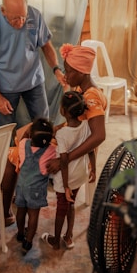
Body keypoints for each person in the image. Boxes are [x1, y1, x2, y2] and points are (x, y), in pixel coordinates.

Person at [0, 0, 65, 229]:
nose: (21, 22)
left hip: (33, 81)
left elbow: (46, 46)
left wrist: (56, 69)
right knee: (8, 143)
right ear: (3, 12)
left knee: (45, 128)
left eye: (23, 16)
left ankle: (45, 177)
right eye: (15, 18)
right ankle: (5, 206)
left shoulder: (34, 16)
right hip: (5, 87)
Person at [41, 90, 96, 250]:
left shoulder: (62, 134)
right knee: (70, 205)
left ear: (63, 111)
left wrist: (65, 186)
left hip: (67, 177)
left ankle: (56, 240)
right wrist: (93, 168)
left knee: (61, 207)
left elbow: (63, 161)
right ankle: (69, 237)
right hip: (80, 174)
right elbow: (91, 148)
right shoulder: (86, 126)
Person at [46, 42, 107, 184]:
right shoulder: (82, 90)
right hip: (71, 141)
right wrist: (57, 129)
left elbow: (99, 136)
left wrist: (63, 160)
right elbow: (78, 123)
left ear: (81, 72)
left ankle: (26, 197)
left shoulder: (91, 97)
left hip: (72, 149)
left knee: (22, 152)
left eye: (68, 71)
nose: (65, 76)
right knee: (29, 133)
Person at [14, 118, 56, 254]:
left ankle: (20, 233)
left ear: (30, 134)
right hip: (36, 190)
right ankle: (28, 242)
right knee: (33, 215)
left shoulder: (23, 144)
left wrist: (29, 131)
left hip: (21, 186)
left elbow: (22, 135)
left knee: (20, 211)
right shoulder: (51, 150)